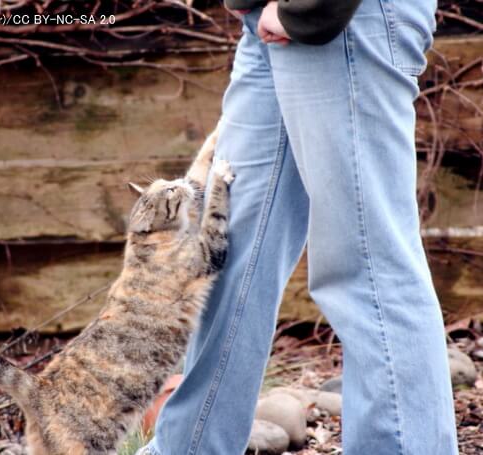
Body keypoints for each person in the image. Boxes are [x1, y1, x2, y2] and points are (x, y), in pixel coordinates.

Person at [139, 0, 459, 453]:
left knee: (367, 265)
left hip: (344, 25)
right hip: (269, 25)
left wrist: (310, 8)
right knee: (226, 250)